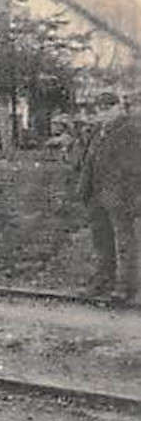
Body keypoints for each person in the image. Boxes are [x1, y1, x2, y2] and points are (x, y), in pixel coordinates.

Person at [75, 92, 140, 304]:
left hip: (118, 197)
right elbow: (88, 163)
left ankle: (125, 286)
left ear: (117, 108)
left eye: (105, 108)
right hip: (96, 196)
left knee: (123, 242)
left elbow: (133, 168)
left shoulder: (129, 131)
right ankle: (103, 281)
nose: (100, 113)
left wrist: (127, 196)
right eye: (98, 109)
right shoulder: (98, 132)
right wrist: (84, 190)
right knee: (101, 241)